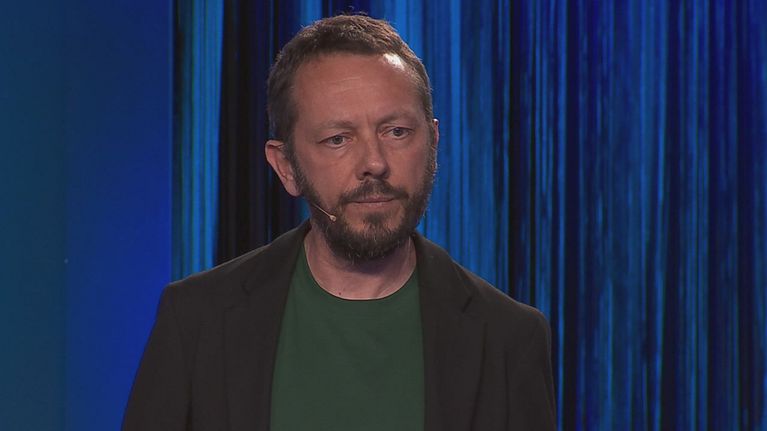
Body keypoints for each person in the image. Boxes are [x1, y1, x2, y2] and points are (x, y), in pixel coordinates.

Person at [123, 14, 555, 431]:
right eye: (338, 139)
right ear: (286, 166)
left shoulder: (510, 338)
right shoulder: (196, 320)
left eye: (397, 131)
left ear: (433, 143)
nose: (374, 163)